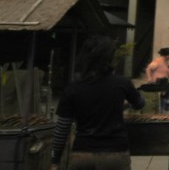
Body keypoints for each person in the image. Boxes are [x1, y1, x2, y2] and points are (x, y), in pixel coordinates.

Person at [50, 35, 144, 170]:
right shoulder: (122, 83)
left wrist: (55, 161)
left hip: (82, 155)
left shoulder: (73, 88)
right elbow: (140, 103)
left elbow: (62, 128)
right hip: (115, 155)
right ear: (110, 58)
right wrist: (128, 103)